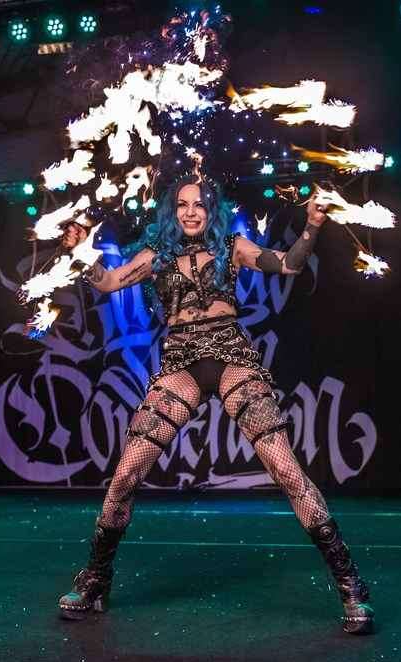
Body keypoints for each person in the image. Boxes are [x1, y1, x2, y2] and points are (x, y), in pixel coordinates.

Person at [56, 175, 375, 635]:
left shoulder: (232, 247)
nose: (190, 212)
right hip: (181, 363)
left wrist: (312, 225)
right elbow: (107, 283)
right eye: (182, 205)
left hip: (231, 357)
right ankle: (95, 578)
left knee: (285, 470)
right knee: (126, 473)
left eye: (199, 205)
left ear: (212, 211)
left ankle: (349, 585)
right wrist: (80, 252)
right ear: (172, 211)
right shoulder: (156, 256)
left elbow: (288, 265)